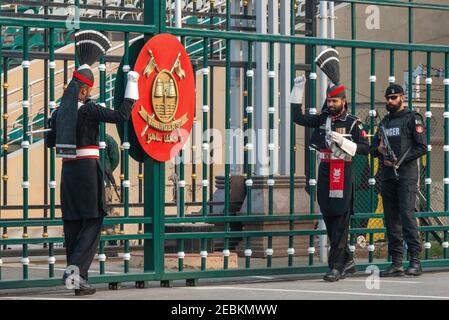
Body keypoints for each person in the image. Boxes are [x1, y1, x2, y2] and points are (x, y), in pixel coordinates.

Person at [45, 30, 140, 296]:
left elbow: (51, 142)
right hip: (87, 173)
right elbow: (122, 115)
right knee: (94, 220)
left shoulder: (58, 112)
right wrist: (132, 83)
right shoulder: (89, 109)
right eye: (90, 89)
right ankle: (74, 270)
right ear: (85, 89)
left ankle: (77, 279)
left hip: (68, 174)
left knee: (73, 224)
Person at [290, 76, 369, 282]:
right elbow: (297, 118)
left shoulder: (353, 123)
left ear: (343, 100)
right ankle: (348, 261)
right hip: (325, 170)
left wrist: (345, 142)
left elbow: (365, 148)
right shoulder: (323, 119)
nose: (331, 104)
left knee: (340, 220)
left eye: (334, 101)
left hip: (343, 171)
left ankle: (335, 267)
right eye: (329, 100)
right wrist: (298, 91)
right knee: (329, 217)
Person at [369, 84, 426, 277]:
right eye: (388, 98)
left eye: (394, 97)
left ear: (402, 97)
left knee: (407, 216)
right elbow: (373, 147)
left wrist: (399, 160)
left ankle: (415, 261)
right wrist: (379, 150)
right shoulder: (384, 122)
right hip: (387, 176)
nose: (390, 101)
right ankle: (396, 263)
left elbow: (421, 147)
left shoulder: (412, 118)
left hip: (406, 175)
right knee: (391, 219)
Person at [102, 133, 121, 251]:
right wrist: (107, 170)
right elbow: (115, 158)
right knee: (107, 211)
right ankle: (112, 244)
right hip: (104, 181)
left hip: (85, 181)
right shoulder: (107, 139)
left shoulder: (79, 134)